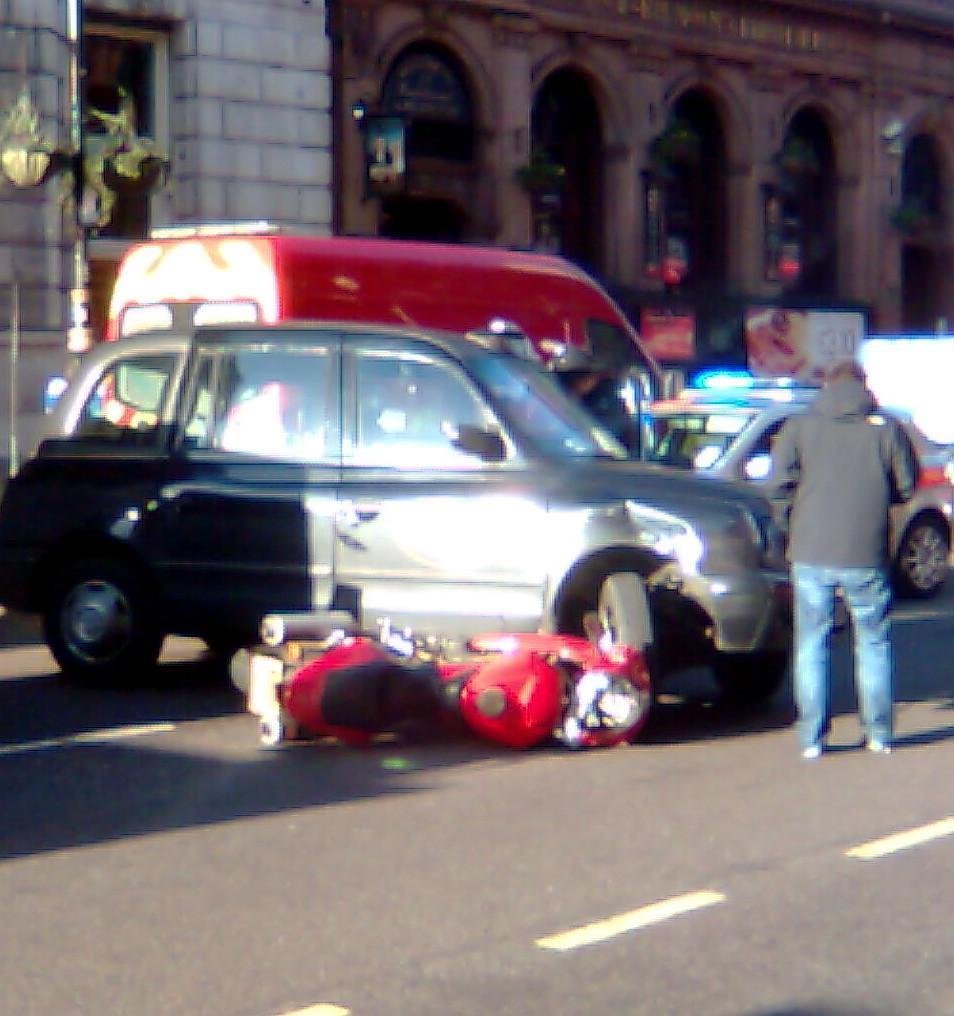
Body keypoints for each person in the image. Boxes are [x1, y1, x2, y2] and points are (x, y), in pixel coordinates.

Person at [769, 359, 919, 759]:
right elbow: (906, 486)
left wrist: (792, 525)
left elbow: (777, 486)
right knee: (872, 641)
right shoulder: (885, 428)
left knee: (812, 642)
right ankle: (879, 735)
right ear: (863, 385)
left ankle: (812, 738)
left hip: (811, 549)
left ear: (826, 384)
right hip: (865, 550)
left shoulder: (799, 426)